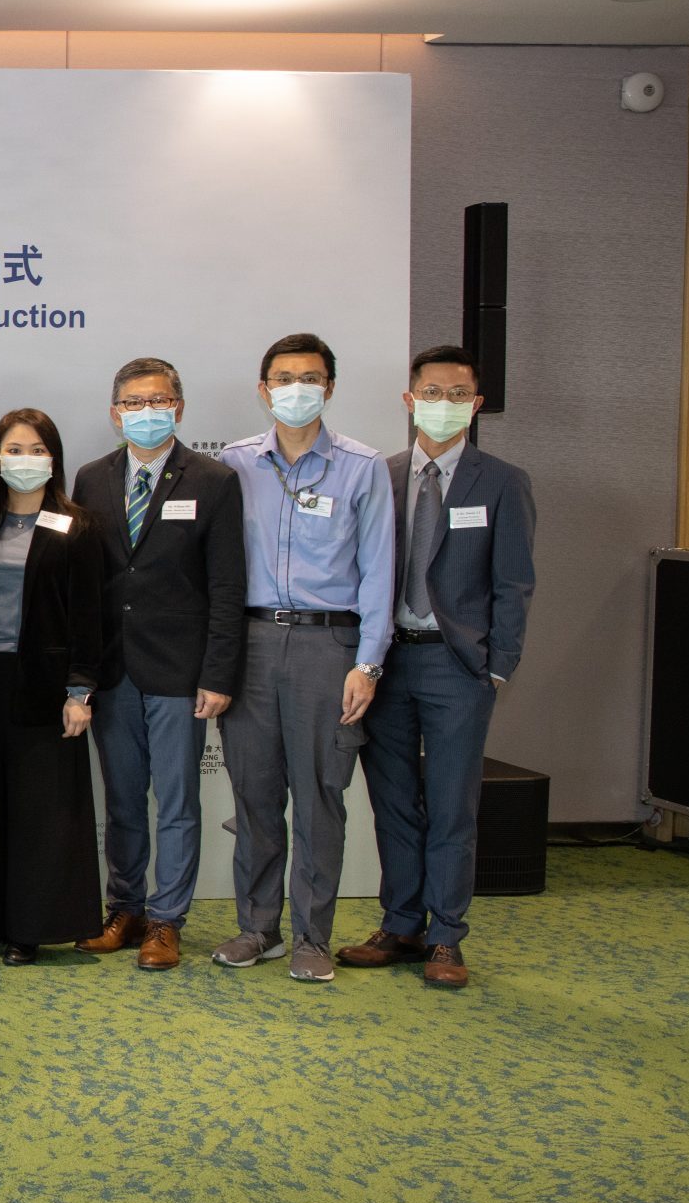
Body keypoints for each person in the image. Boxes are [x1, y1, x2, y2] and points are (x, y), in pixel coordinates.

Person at [346, 346, 537, 989]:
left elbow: (514, 583)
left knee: (454, 806)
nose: (445, 404)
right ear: (410, 400)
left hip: (459, 668)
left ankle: (446, 937)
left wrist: (498, 667)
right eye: (433, 392)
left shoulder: (503, 481)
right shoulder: (382, 474)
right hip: (387, 663)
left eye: (459, 394)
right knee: (394, 802)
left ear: (476, 404)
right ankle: (400, 923)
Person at [215, 332, 396, 983]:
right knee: (256, 795)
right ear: (263, 390)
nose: (297, 390)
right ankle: (256, 928)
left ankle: (312, 938)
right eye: (284, 379)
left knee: (321, 797)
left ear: (330, 387)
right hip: (252, 645)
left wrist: (368, 662)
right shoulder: (233, 465)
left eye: (310, 378)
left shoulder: (361, 466)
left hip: (330, 646)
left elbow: (379, 572)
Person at [72, 358, 246, 971]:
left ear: (179, 407)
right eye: (134, 402)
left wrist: (218, 674)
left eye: (159, 400)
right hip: (112, 670)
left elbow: (227, 586)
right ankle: (126, 908)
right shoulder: (91, 479)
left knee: (176, 803)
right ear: (115, 412)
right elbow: (86, 580)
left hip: (180, 672)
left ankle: (167, 920)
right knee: (122, 801)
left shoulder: (215, 480)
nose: (147, 412)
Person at [0, 411, 106, 965]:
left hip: (46, 686)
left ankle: (30, 927)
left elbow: (90, 616)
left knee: (41, 813)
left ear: (53, 458)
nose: (24, 459)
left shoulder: (76, 526)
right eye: (13, 448)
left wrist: (79, 691)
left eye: (36, 449)